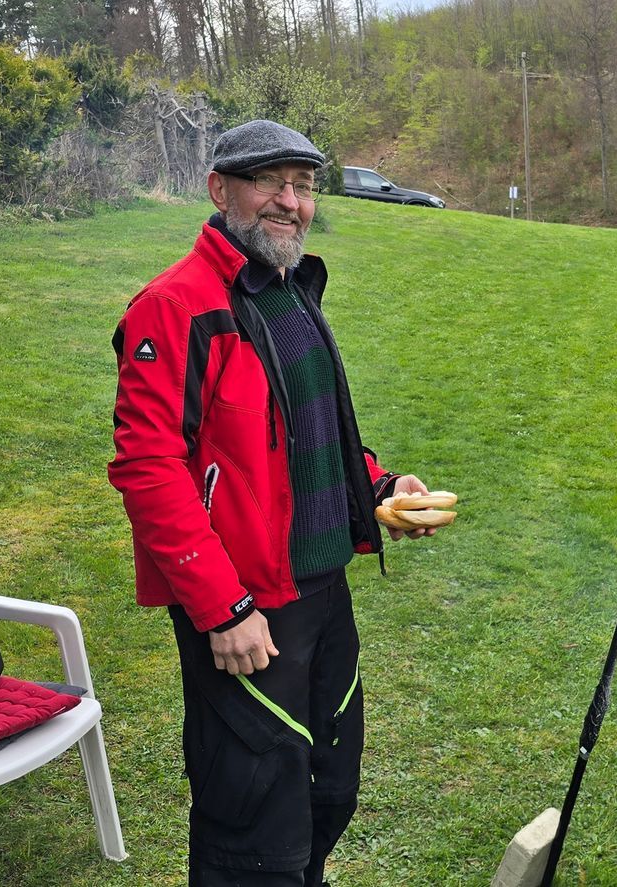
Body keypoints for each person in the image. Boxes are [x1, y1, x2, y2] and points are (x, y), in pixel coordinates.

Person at [108, 119, 433, 886]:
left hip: (323, 596)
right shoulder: (175, 306)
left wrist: (378, 488)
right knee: (252, 833)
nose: (291, 201)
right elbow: (148, 468)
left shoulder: (289, 291)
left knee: (329, 791)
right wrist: (221, 608)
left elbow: (310, 428)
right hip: (246, 609)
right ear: (220, 190)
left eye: (304, 185)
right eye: (270, 182)